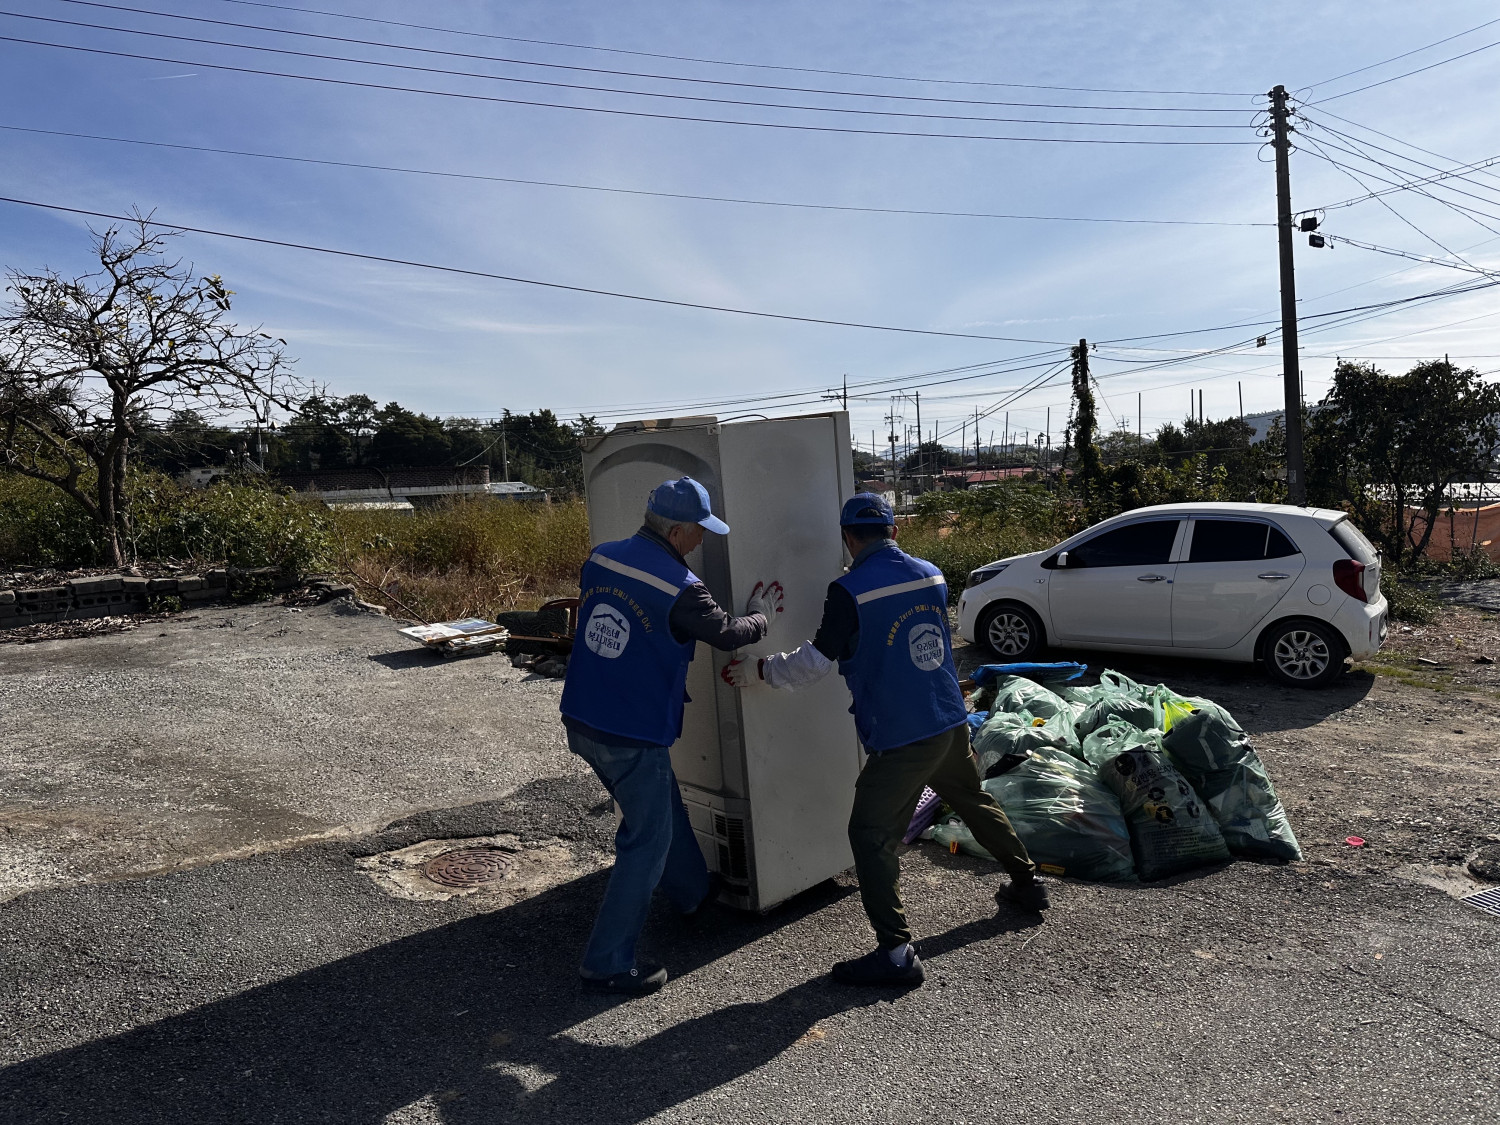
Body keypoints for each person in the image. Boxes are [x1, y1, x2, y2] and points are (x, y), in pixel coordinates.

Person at [725, 492, 1046, 988]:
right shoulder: (931, 574)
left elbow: (813, 663)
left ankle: (895, 954)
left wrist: (758, 670)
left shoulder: (848, 591)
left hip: (902, 735)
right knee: (973, 799)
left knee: (869, 836)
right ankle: (1028, 882)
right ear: (893, 531)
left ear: (848, 538)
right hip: (948, 719)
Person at [560, 476, 783, 997]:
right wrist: (763, 617)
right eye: (700, 530)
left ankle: (692, 893)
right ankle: (607, 962)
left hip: (583, 716)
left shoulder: (602, 557)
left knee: (659, 808)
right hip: (630, 731)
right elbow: (726, 633)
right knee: (646, 841)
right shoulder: (681, 587)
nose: (703, 539)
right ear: (678, 531)